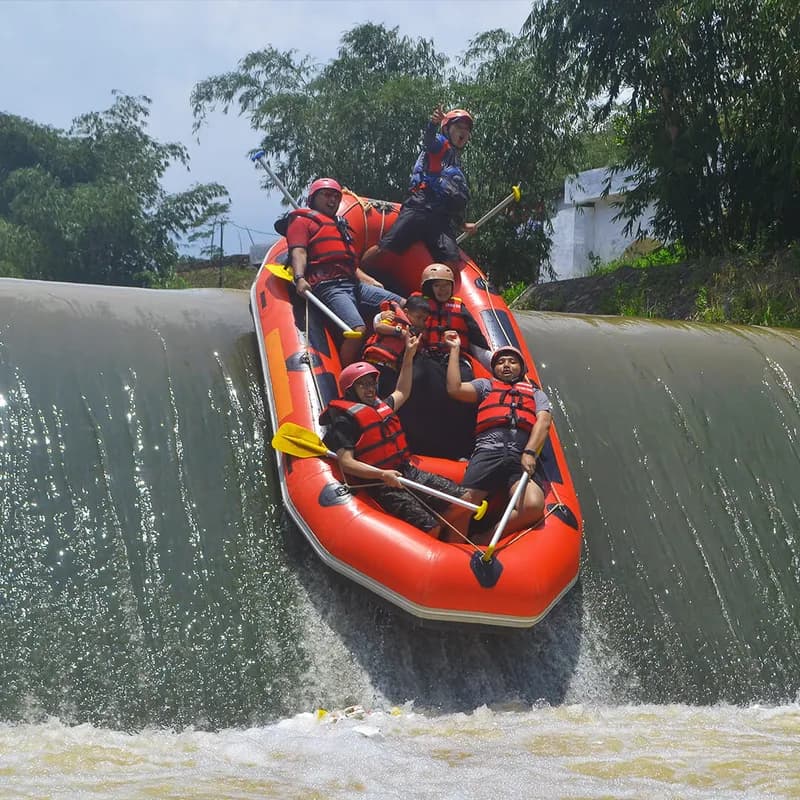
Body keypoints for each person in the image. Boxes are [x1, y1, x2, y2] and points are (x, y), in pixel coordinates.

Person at [319, 334, 471, 541]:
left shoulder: (382, 406)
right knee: (431, 528)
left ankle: (451, 543)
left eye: (371, 383)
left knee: (464, 500)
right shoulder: (345, 421)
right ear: (350, 390)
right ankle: (438, 539)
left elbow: (402, 390)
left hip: (407, 471)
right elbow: (346, 463)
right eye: (362, 385)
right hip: (379, 483)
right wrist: (382, 475)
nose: (370, 388)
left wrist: (408, 355)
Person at [285, 177, 404, 365]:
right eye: (326, 195)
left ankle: (388, 356)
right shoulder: (302, 221)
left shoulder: (340, 225)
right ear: (313, 198)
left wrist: (369, 280)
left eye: (335, 197)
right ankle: (349, 375)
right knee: (357, 330)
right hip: (329, 286)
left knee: (403, 305)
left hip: (353, 284)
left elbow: (347, 263)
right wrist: (299, 277)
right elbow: (299, 251)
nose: (332, 200)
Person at [444, 333, 553, 539]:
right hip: (488, 451)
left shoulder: (536, 394)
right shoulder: (486, 386)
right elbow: (455, 389)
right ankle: (454, 548)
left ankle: (484, 539)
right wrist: (454, 350)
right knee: (463, 505)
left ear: (521, 368)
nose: (506, 365)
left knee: (533, 504)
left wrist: (529, 452)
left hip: (519, 455)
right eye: (501, 362)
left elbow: (544, 422)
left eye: (512, 362)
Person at [361, 107, 477, 270]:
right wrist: (432, 124)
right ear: (446, 128)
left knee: (451, 262)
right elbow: (429, 141)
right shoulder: (440, 144)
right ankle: (357, 272)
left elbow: (451, 197)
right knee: (386, 248)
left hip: (440, 217)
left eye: (466, 129)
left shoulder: (455, 163)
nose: (463, 133)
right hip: (421, 205)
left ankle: (431, 293)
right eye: (459, 127)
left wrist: (461, 224)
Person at [397, 263, 489, 460]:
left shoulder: (460, 310)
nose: (442, 290)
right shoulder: (416, 304)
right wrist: (381, 317)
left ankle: (464, 449)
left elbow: (479, 346)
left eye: (446, 286)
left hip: (456, 360)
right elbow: (393, 317)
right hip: (427, 357)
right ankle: (411, 442)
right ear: (428, 287)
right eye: (437, 286)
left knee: (465, 388)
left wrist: (499, 366)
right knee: (418, 378)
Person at [362, 295, 431, 396]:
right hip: (374, 363)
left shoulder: (415, 334)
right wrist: (400, 332)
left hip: (391, 370)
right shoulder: (393, 317)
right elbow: (379, 327)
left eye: (424, 320)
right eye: (418, 317)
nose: (421, 322)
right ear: (406, 312)